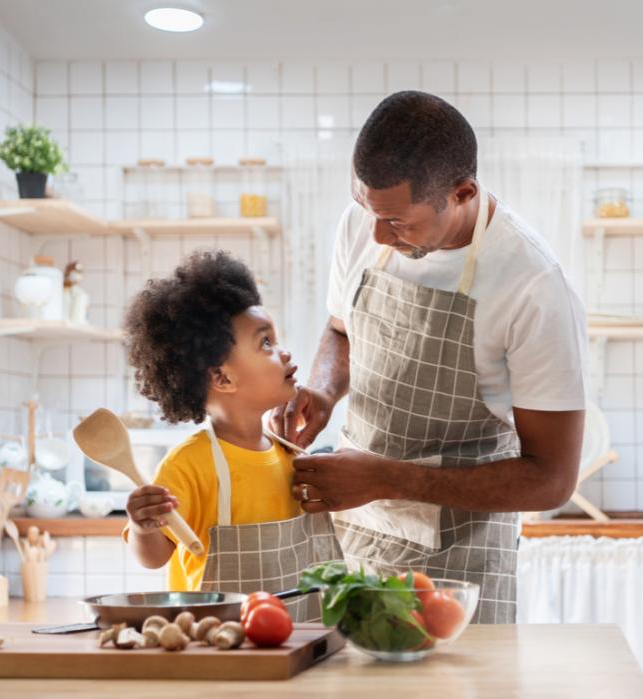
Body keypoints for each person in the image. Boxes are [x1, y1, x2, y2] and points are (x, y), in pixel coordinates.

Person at [272, 91, 587, 623]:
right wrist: (325, 390)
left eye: (398, 222)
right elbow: (339, 329)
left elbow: (552, 478)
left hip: (459, 569)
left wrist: (387, 479)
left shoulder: (531, 286)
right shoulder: (364, 223)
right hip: (356, 535)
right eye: (365, 209)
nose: (375, 233)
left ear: (461, 193)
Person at [122, 250, 338, 619]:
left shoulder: (291, 456)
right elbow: (156, 558)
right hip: (219, 643)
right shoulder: (189, 465)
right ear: (222, 378)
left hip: (300, 637)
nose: (284, 353)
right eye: (266, 343)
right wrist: (142, 529)